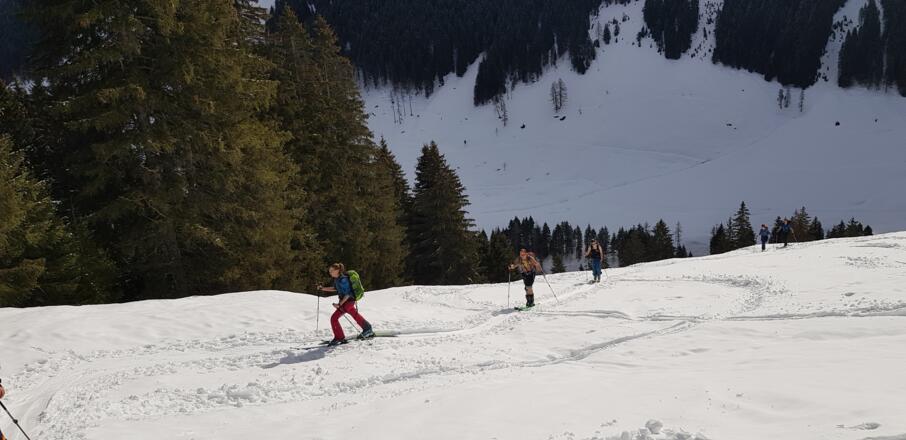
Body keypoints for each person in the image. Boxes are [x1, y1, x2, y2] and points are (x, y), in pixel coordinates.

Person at [316, 263, 374, 346]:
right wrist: (322, 288)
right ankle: (368, 328)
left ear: (337, 270)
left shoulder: (343, 280)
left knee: (334, 318)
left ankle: (339, 337)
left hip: (348, 301)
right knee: (354, 314)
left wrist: (339, 304)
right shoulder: (337, 279)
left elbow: (348, 294)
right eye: (329, 271)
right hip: (347, 301)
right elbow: (335, 288)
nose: (330, 272)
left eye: (332, 271)